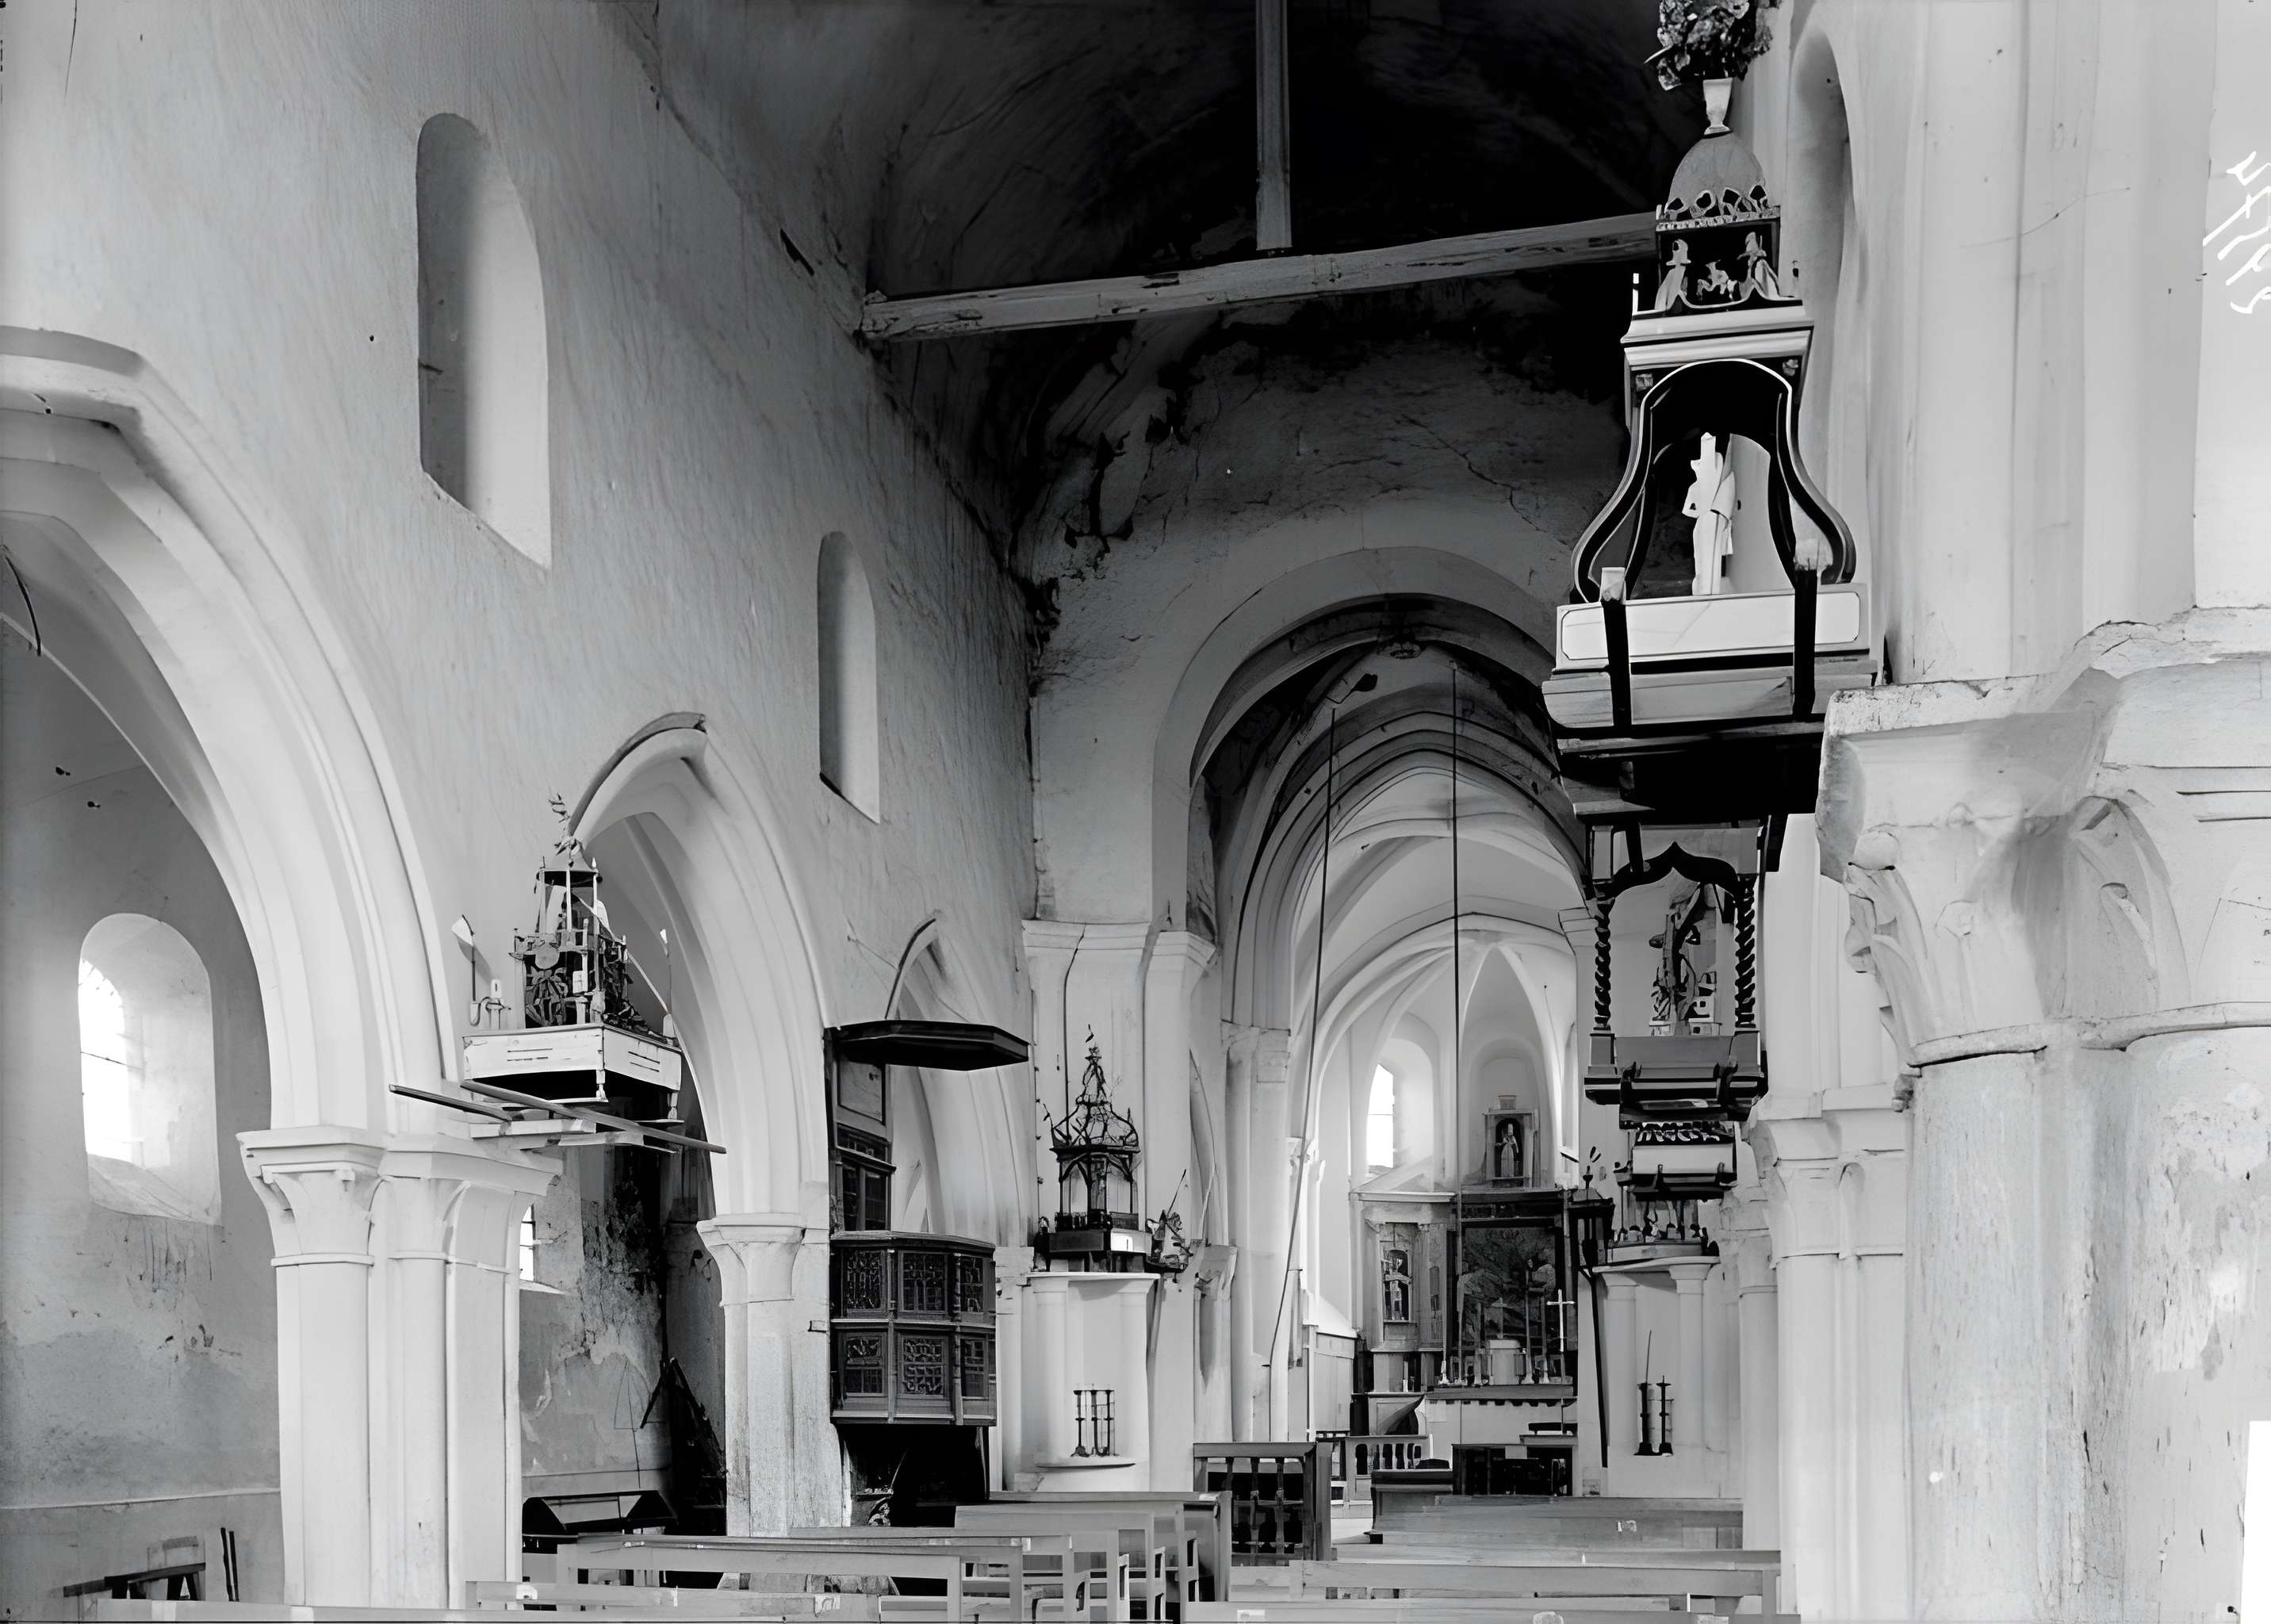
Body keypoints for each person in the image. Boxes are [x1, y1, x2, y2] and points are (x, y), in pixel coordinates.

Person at [1681, 432, 1737, 595]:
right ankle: (1707, 592)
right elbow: (1688, 510)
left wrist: (1700, 510)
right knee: (1707, 560)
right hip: (1713, 517)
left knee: (1706, 560)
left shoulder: (1701, 483)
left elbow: (1688, 510)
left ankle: (1706, 593)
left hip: (1710, 518)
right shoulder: (1716, 468)